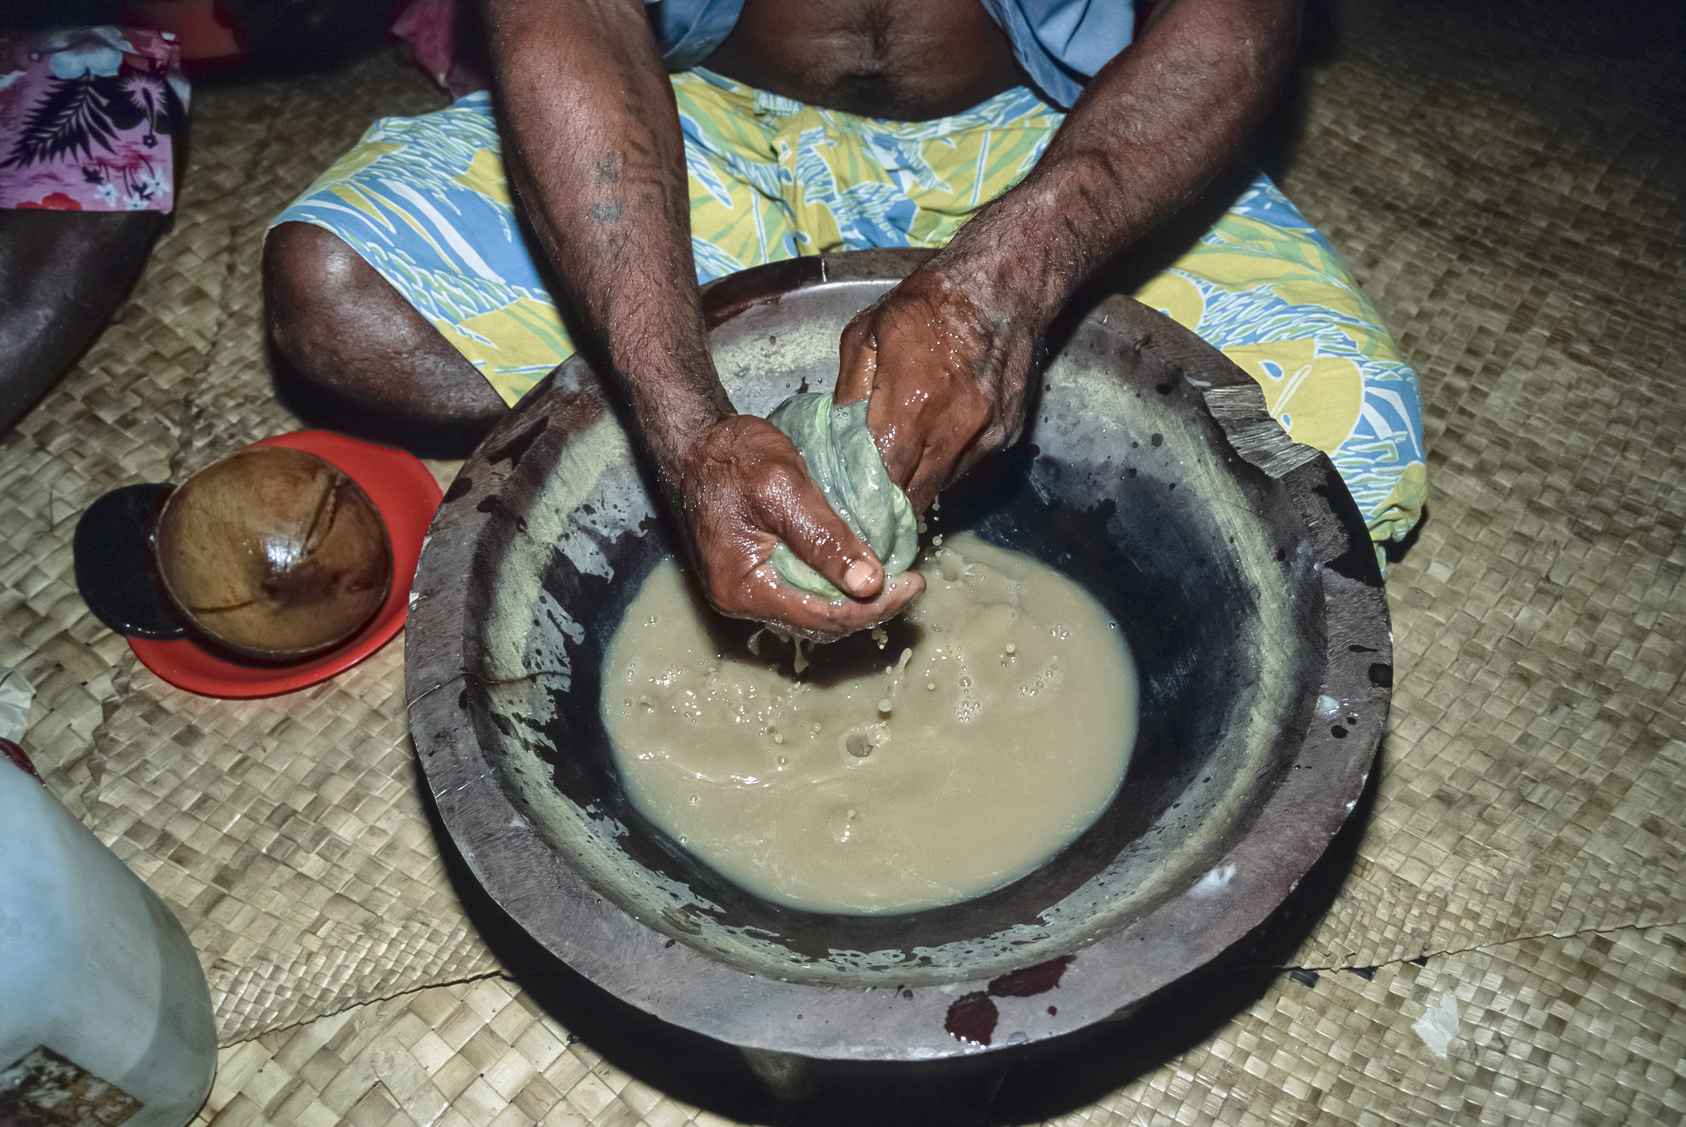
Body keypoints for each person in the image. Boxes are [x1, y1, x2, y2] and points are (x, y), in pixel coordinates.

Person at [264, 0, 1426, 641]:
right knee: (339, 297)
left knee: (1345, 458)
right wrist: (678, 421)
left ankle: (810, 354)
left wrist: (1013, 278)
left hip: (1056, 134)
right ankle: (732, 393)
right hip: (702, 111)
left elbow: (1238, 22)